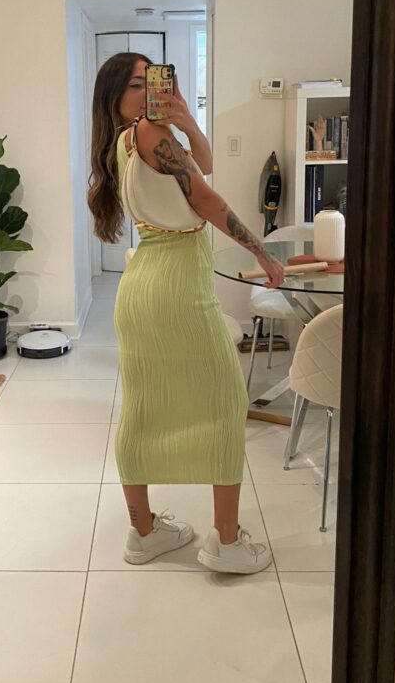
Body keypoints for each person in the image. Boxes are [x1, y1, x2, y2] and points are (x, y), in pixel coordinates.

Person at [87, 53, 285, 574]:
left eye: (152, 80)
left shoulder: (123, 142)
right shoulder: (148, 133)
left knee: (143, 408)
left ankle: (144, 533)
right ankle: (227, 542)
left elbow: (205, 163)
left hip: (141, 290)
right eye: (137, 84)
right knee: (225, 401)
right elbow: (205, 197)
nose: (149, 91)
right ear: (115, 96)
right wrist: (262, 251)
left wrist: (187, 120)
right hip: (176, 288)